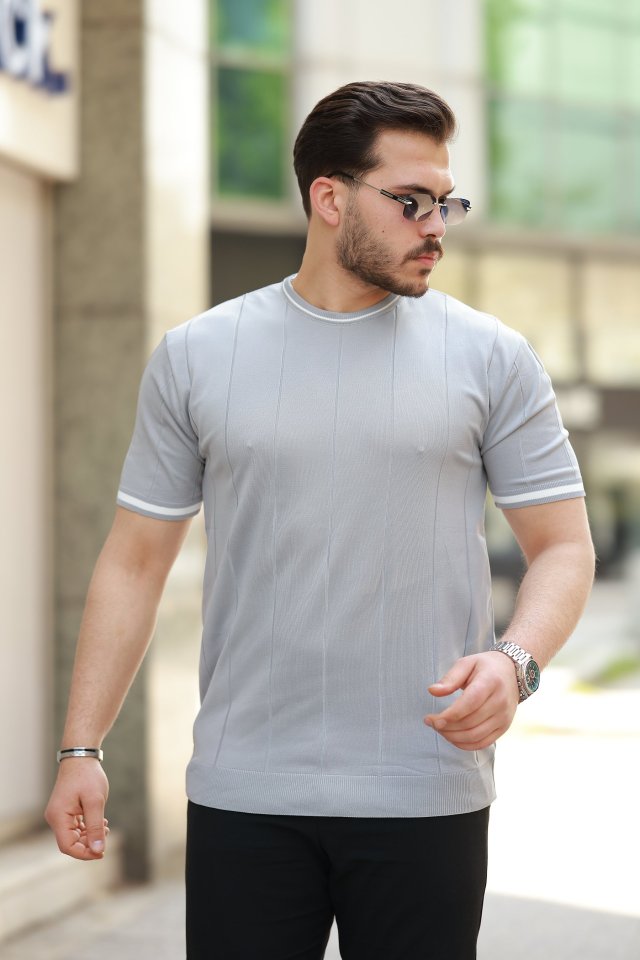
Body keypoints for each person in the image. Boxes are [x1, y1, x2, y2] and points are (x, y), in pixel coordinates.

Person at [45, 80, 595, 959]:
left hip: (426, 791)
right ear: (329, 199)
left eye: (446, 202)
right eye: (410, 201)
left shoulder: (494, 358)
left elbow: (563, 547)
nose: (436, 226)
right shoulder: (198, 355)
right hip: (245, 795)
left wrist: (515, 660)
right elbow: (134, 562)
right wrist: (83, 748)